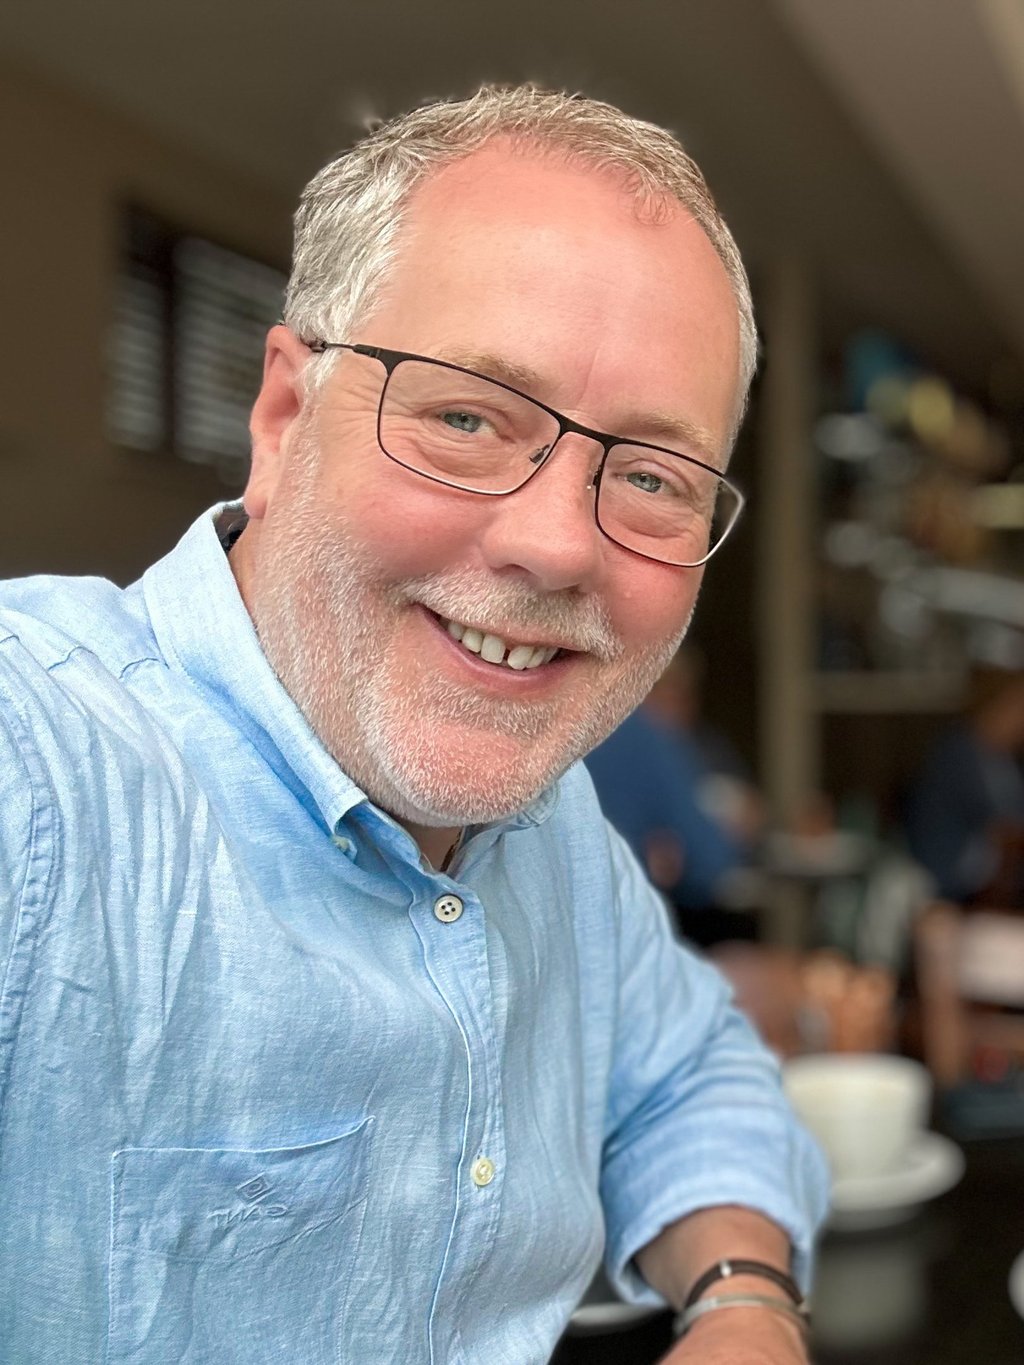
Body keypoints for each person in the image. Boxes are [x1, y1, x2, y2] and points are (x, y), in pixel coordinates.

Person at [0, 86, 827, 1363]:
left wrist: (742, 1301)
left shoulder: (554, 823)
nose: (557, 545)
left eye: (653, 477)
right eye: (463, 416)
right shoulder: (41, 772)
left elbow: (686, 1073)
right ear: (282, 420)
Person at [586, 647, 764, 945]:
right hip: (629, 934)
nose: (685, 706)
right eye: (675, 692)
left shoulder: (575, 733)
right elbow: (709, 863)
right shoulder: (649, 740)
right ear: (645, 686)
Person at [906, 665, 1024, 907]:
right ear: (996, 706)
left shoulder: (1006, 759)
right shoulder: (958, 753)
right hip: (951, 881)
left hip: (996, 876)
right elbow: (1000, 822)